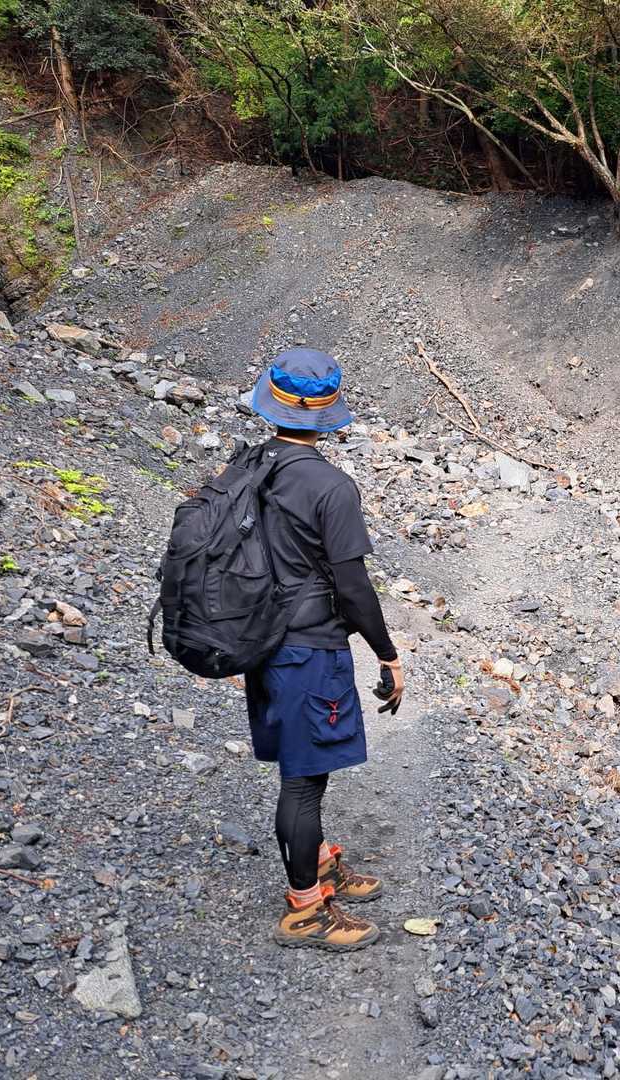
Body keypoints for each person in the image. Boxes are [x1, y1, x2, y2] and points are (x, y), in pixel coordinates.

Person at [242, 347, 404, 951]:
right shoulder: (332, 487)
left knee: (301, 763)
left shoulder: (252, 468)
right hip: (309, 650)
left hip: (264, 642)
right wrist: (387, 653)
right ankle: (305, 907)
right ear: (328, 415)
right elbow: (353, 587)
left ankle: (315, 860)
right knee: (303, 778)